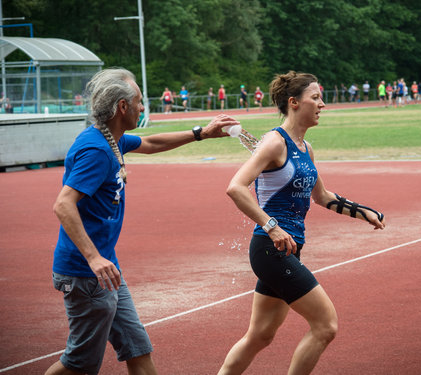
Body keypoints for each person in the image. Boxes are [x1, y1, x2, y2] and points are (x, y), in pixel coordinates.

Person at [45, 68, 240, 375]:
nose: (142, 107)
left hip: (107, 271)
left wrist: (202, 132)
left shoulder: (112, 139)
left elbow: (150, 143)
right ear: (121, 107)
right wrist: (94, 258)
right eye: (138, 101)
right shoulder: (97, 149)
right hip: (86, 274)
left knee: (137, 348)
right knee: (79, 364)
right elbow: (63, 204)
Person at [217, 71, 385, 375]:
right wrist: (272, 226)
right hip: (271, 248)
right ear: (294, 103)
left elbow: (321, 196)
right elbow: (236, 187)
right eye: (315, 97)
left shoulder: (306, 149)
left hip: (289, 248)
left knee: (260, 336)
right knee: (325, 325)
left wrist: (363, 212)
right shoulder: (273, 143)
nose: (322, 104)